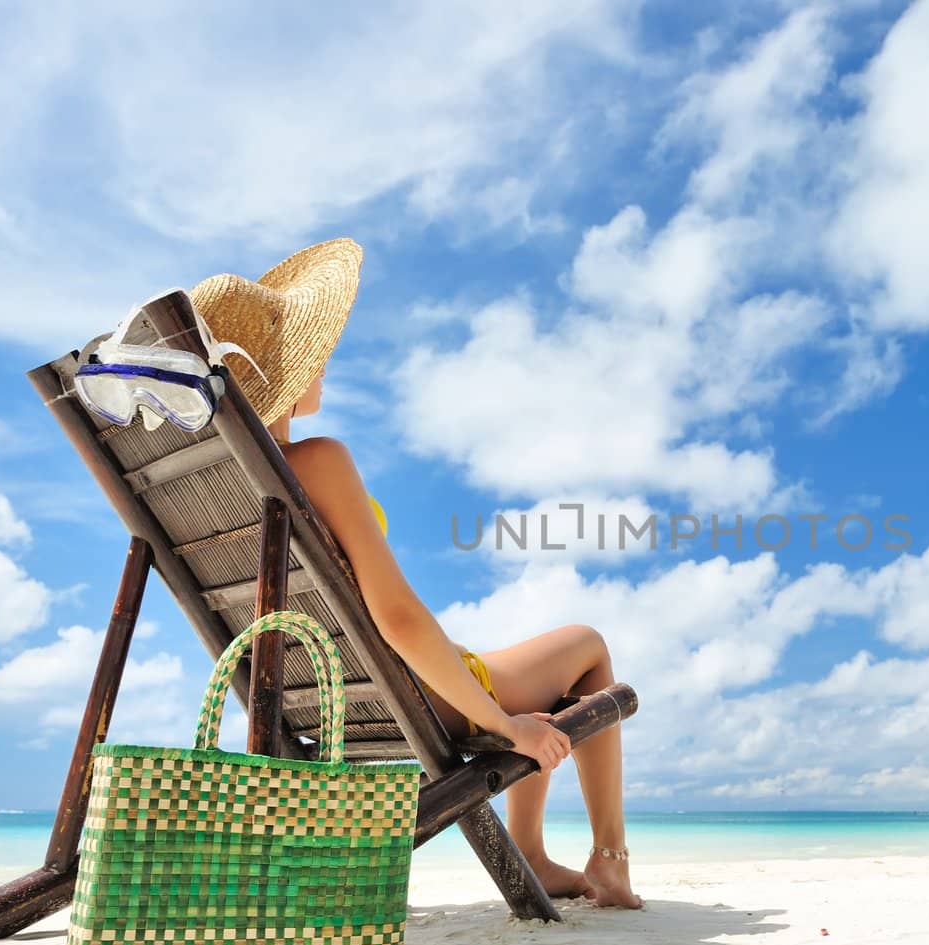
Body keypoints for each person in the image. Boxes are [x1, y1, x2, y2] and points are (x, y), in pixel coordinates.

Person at [188, 238, 641, 909]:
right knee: (588, 648)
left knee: (538, 697)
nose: (328, 358)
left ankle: (536, 857)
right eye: (317, 349)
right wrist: (503, 723)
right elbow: (397, 617)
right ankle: (609, 862)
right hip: (418, 692)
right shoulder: (318, 463)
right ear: (287, 372)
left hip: (319, 698)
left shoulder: (215, 495)